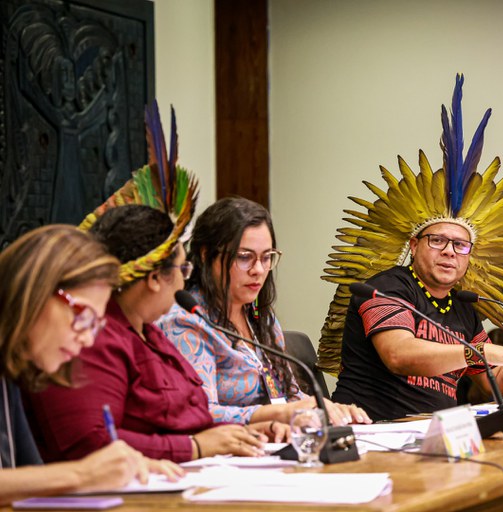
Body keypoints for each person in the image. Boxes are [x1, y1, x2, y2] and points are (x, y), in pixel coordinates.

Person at [321, 75, 503, 421]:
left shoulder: (464, 307)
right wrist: (478, 352)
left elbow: (490, 382)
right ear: (413, 245)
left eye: (460, 245)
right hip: (376, 428)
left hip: (438, 433)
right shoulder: (386, 287)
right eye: (437, 240)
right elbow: (399, 353)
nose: (449, 251)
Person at [25, 105, 279, 464]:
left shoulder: (150, 335)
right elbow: (92, 445)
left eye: (267, 257)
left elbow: (195, 414)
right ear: (153, 279)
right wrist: (196, 446)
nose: (185, 278)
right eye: (181, 267)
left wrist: (250, 431)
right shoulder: (97, 336)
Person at [0, 225, 182, 505]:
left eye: (95, 325)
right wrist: (82, 474)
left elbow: (26, 476)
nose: (86, 340)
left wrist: (124, 470)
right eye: (83, 316)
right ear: (36, 290)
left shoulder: (11, 372)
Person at [158, 197, 371, 426]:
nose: (258, 270)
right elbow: (200, 411)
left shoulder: (262, 320)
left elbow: (289, 397)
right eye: (244, 257)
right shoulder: (186, 322)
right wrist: (275, 415)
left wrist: (327, 408)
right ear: (205, 254)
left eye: (267, 257)